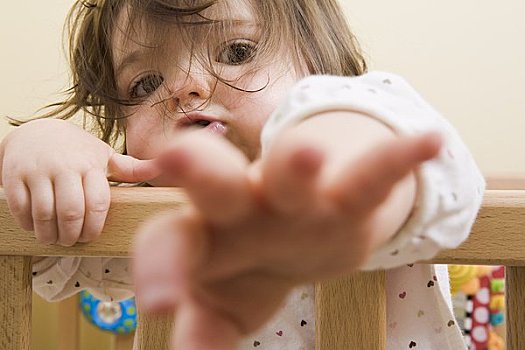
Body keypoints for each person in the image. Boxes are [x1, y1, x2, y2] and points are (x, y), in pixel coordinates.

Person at [0, 0, 485, 349]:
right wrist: (33, 149)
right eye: (145, 82)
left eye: (236, 52)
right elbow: (31, 256)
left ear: (322, 69)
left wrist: (331, 188)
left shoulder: (367, 114)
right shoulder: (149, 220)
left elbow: (409, 161)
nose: (187, 85)